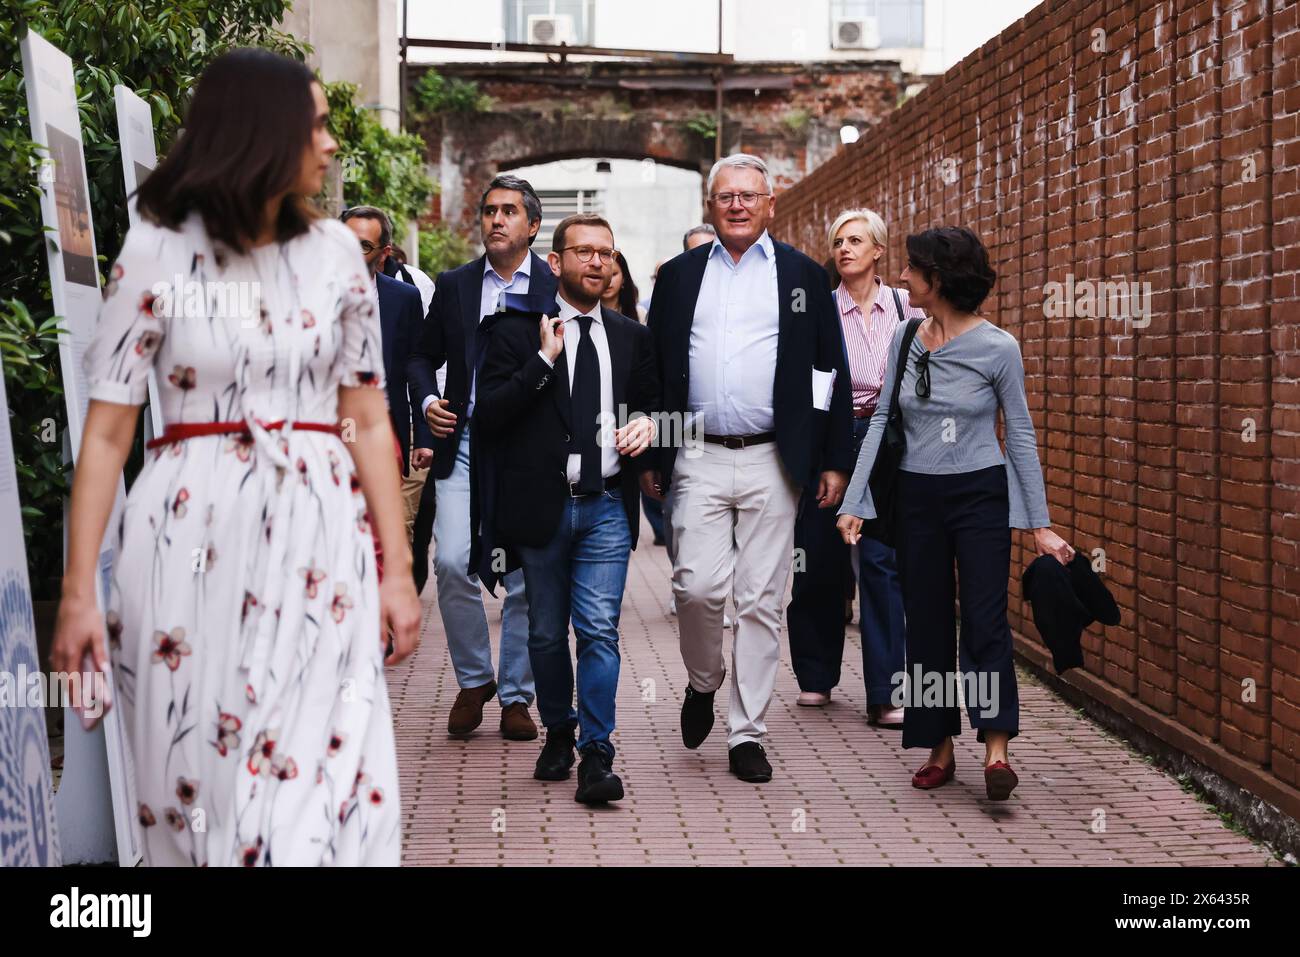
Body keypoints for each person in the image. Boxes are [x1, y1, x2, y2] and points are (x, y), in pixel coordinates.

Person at [50, 48, 419, 866]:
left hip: (321, 533)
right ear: (264, 132)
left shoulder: (337, 255)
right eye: (316, 126)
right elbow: (108, 431)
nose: (328, 146)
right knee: (200, 777)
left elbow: (366, 410)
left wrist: (395, 569)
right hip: (188, 536)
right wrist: (79, 593)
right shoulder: (154, 251)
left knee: (324, 770)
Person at [837, 226, 1074, 801]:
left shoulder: (999, 348)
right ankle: (939, 746)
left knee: (987, 622)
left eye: (912, 270)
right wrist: (856, 501)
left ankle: (996, 750)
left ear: (937, 280)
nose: (902, 277)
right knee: (927, 625)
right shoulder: (904, 337)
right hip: (918, 498)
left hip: (979, 496)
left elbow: (1019, 436)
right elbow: (880, 428)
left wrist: (1037, 523)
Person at [644, 154, 853, 783]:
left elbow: (830, 368)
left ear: (770, 204)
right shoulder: (678, 278)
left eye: (749, 196)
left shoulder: (803, 276)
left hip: (774, 458)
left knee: (763, 599)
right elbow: (656, 370)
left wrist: (834, 460)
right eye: (726, 196)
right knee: (696, 588)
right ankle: (704, 681)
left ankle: (746, 734)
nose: (737, 205)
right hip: (697, 452)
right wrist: (655, 452)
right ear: (711, 205)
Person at [473, 214, 659, 803]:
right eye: (585, 253)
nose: (599, 263)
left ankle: (596, 753)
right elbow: (491, 415)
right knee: (549, 635)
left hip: (605, 504)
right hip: (542, 508)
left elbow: (653, 404)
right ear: (555, 263)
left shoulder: (631, 336)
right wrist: (544, 361)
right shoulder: (514, 331)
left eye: (607, 253)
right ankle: (558, 727)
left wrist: (646, 425)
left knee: (599, 631)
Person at [407, 174, 552, 741]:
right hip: (463, 441)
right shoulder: (457, 284)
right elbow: (421, 356)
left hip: (528, 446)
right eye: (489, 210)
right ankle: (474, 679)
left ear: (532, 226)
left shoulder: (552, 284)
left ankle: (517, 695)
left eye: (509, 211)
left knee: (523, 576)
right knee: (450, 562)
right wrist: (427, 402)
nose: (496, 219)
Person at [787, 209, 916, 727]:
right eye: (838, 241)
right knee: (818, 559)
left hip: (889, 442)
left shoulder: (907, 308)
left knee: (882, 563)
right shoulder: (820, 307)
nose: (844, 249)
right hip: (833, 439)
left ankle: (886, 692)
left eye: (856, 240)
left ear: (879, 250)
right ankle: (816, 676)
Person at [341, 206, 433, 493]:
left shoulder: (404, 297)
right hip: (326, 428)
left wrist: (424, 437)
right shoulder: (309, 294)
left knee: (383, 525)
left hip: (383, 427)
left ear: (384, 252)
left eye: (365, 246)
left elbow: (417, 364)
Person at [601, 249, 644, 322]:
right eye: (603, 275)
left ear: (624, 277)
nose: (609, 281)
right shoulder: (586, 313)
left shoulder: (640, 313)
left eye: (614, 274)